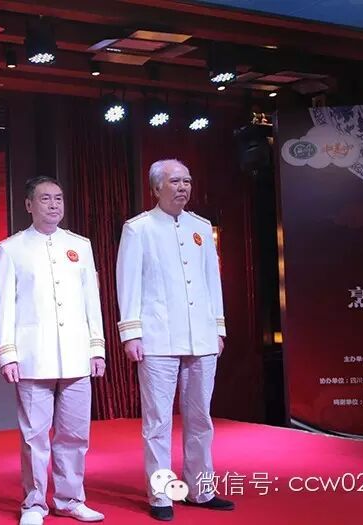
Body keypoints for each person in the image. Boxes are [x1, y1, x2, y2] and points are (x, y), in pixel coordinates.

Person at [115, 159, 235, 522]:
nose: (183, 187)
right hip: (158, 339)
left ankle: (201, 489)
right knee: (157, 422)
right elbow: (128, 283)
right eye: (175, 181)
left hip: (201, 338)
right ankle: (161, 494)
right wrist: (131, 333)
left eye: (187, 181)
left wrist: (218, 328)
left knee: (201, 419)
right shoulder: (138, 228)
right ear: (156, 188)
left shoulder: (201, 227)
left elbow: (212, 281)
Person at [0, 176, 106, 525]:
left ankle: (70, 499)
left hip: (76, 354)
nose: (54, 204)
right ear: (29, 205)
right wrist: (8, 353)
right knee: (34, 437)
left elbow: (92, 301)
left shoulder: (80, 245)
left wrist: (97, 347)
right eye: (45, 199)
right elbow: (3, 306)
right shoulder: (11, 248)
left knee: (75, 434)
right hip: (33, 356)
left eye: (58, 198)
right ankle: (34, 503)